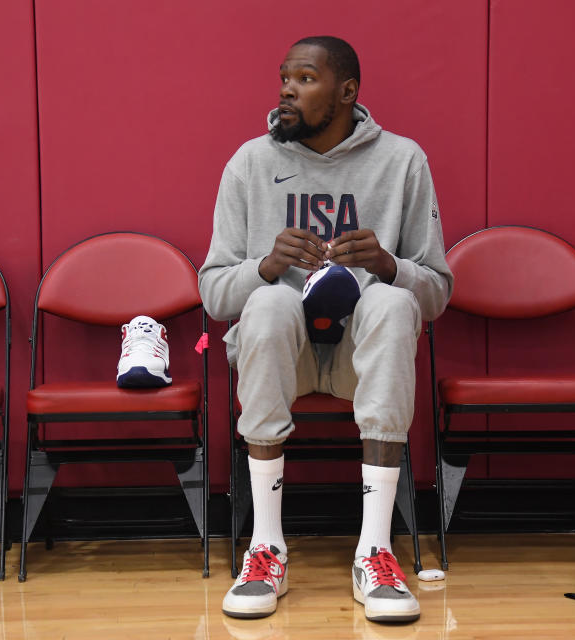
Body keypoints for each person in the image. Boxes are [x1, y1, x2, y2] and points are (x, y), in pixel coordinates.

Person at [198, 35, 452, 623]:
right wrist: (266, 265)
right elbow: (214, 294)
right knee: (264, 304)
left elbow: (436, 293)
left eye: (305, 79)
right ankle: (266, 547)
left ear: (346, 92)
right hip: (280, 351)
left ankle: (375, 551)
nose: (287, 89)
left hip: (362, 355)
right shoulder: (250, 162)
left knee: (391, 302)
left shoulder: (402, 160)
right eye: (284, 77)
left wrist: (389, 265)